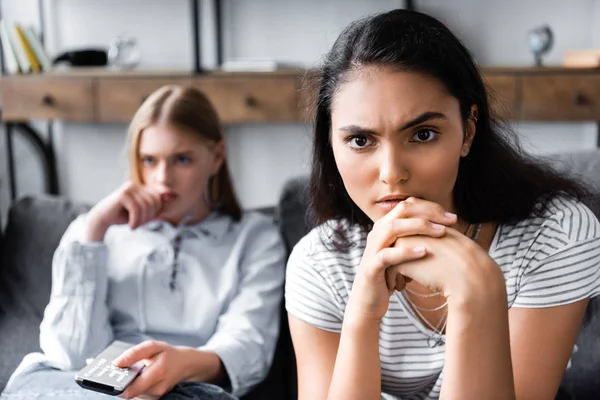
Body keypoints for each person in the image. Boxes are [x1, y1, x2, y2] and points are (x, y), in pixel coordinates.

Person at [285, 9, 600, 400]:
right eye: (361, 141)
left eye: (423, 134)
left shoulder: (558, 235)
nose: (391, 173)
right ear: (330, 144)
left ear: (468, 130)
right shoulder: (319, 264)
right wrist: (362, 315)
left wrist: (476, 293)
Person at [1, 85, 286, 400]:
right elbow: (70, 355)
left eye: (182, 159)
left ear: (216, 157)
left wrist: (178, 364)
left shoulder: (255, 238)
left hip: (184, 387)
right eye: (149, 160)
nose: (163, 177)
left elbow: (247, 346)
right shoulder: (93, 231)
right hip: (80, 386)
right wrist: (95, 230)